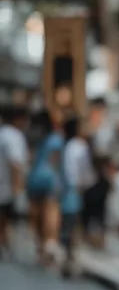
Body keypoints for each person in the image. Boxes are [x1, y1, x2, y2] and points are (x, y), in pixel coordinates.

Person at [60, 116, 96, 277]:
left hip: (64, 190)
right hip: (76, 190)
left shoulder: (65, 145)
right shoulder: (80, 146)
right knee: (75, 224)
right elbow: (85, 171)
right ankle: (72, 259)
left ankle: (67, 257)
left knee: (67, 223)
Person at [27, 109, 64, 265]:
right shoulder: (56, 139)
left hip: (34, 179)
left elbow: (31, 158)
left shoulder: (35, 139)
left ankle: (40, 247)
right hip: (49, 180)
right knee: (50, 211)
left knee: (37, 215)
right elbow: (56, 162)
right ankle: (50, 242)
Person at [0, 106, 29, 259]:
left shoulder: (3, 134)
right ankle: (5, 244)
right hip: (7, 185)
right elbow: (15, 163)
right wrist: (17, 187)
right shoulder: (13, 136)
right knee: (6, 216)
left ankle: (4, 244)